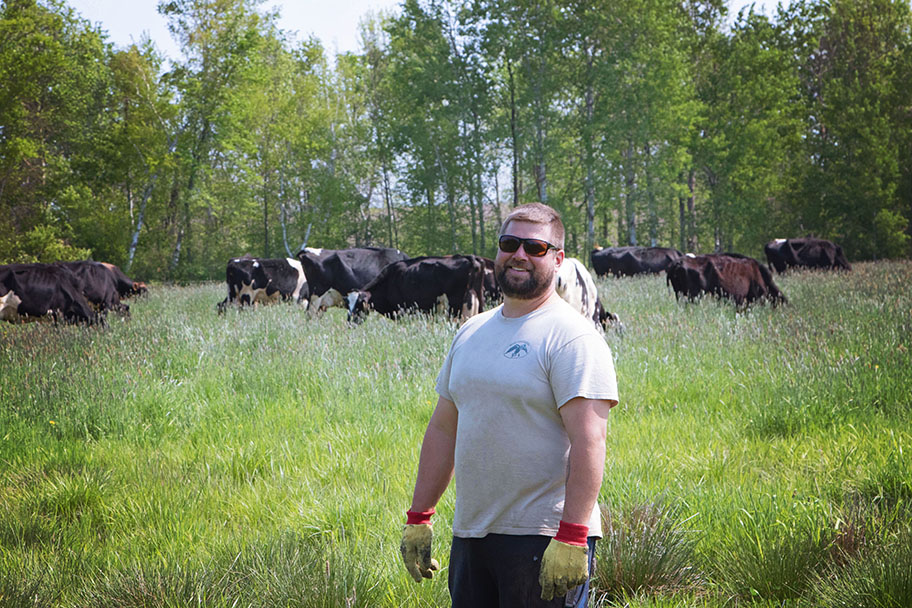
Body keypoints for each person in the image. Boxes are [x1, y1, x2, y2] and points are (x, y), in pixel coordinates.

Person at [400, 203, 619, 607]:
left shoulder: (573, 338)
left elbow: (590, 440)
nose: (519, 254)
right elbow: (444, 428)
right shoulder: (471, 331)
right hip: (472, 536)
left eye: (535, 247)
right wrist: (420, 515)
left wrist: (571, 535)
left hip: (545, 538)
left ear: (558, 259)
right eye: (509, 243)